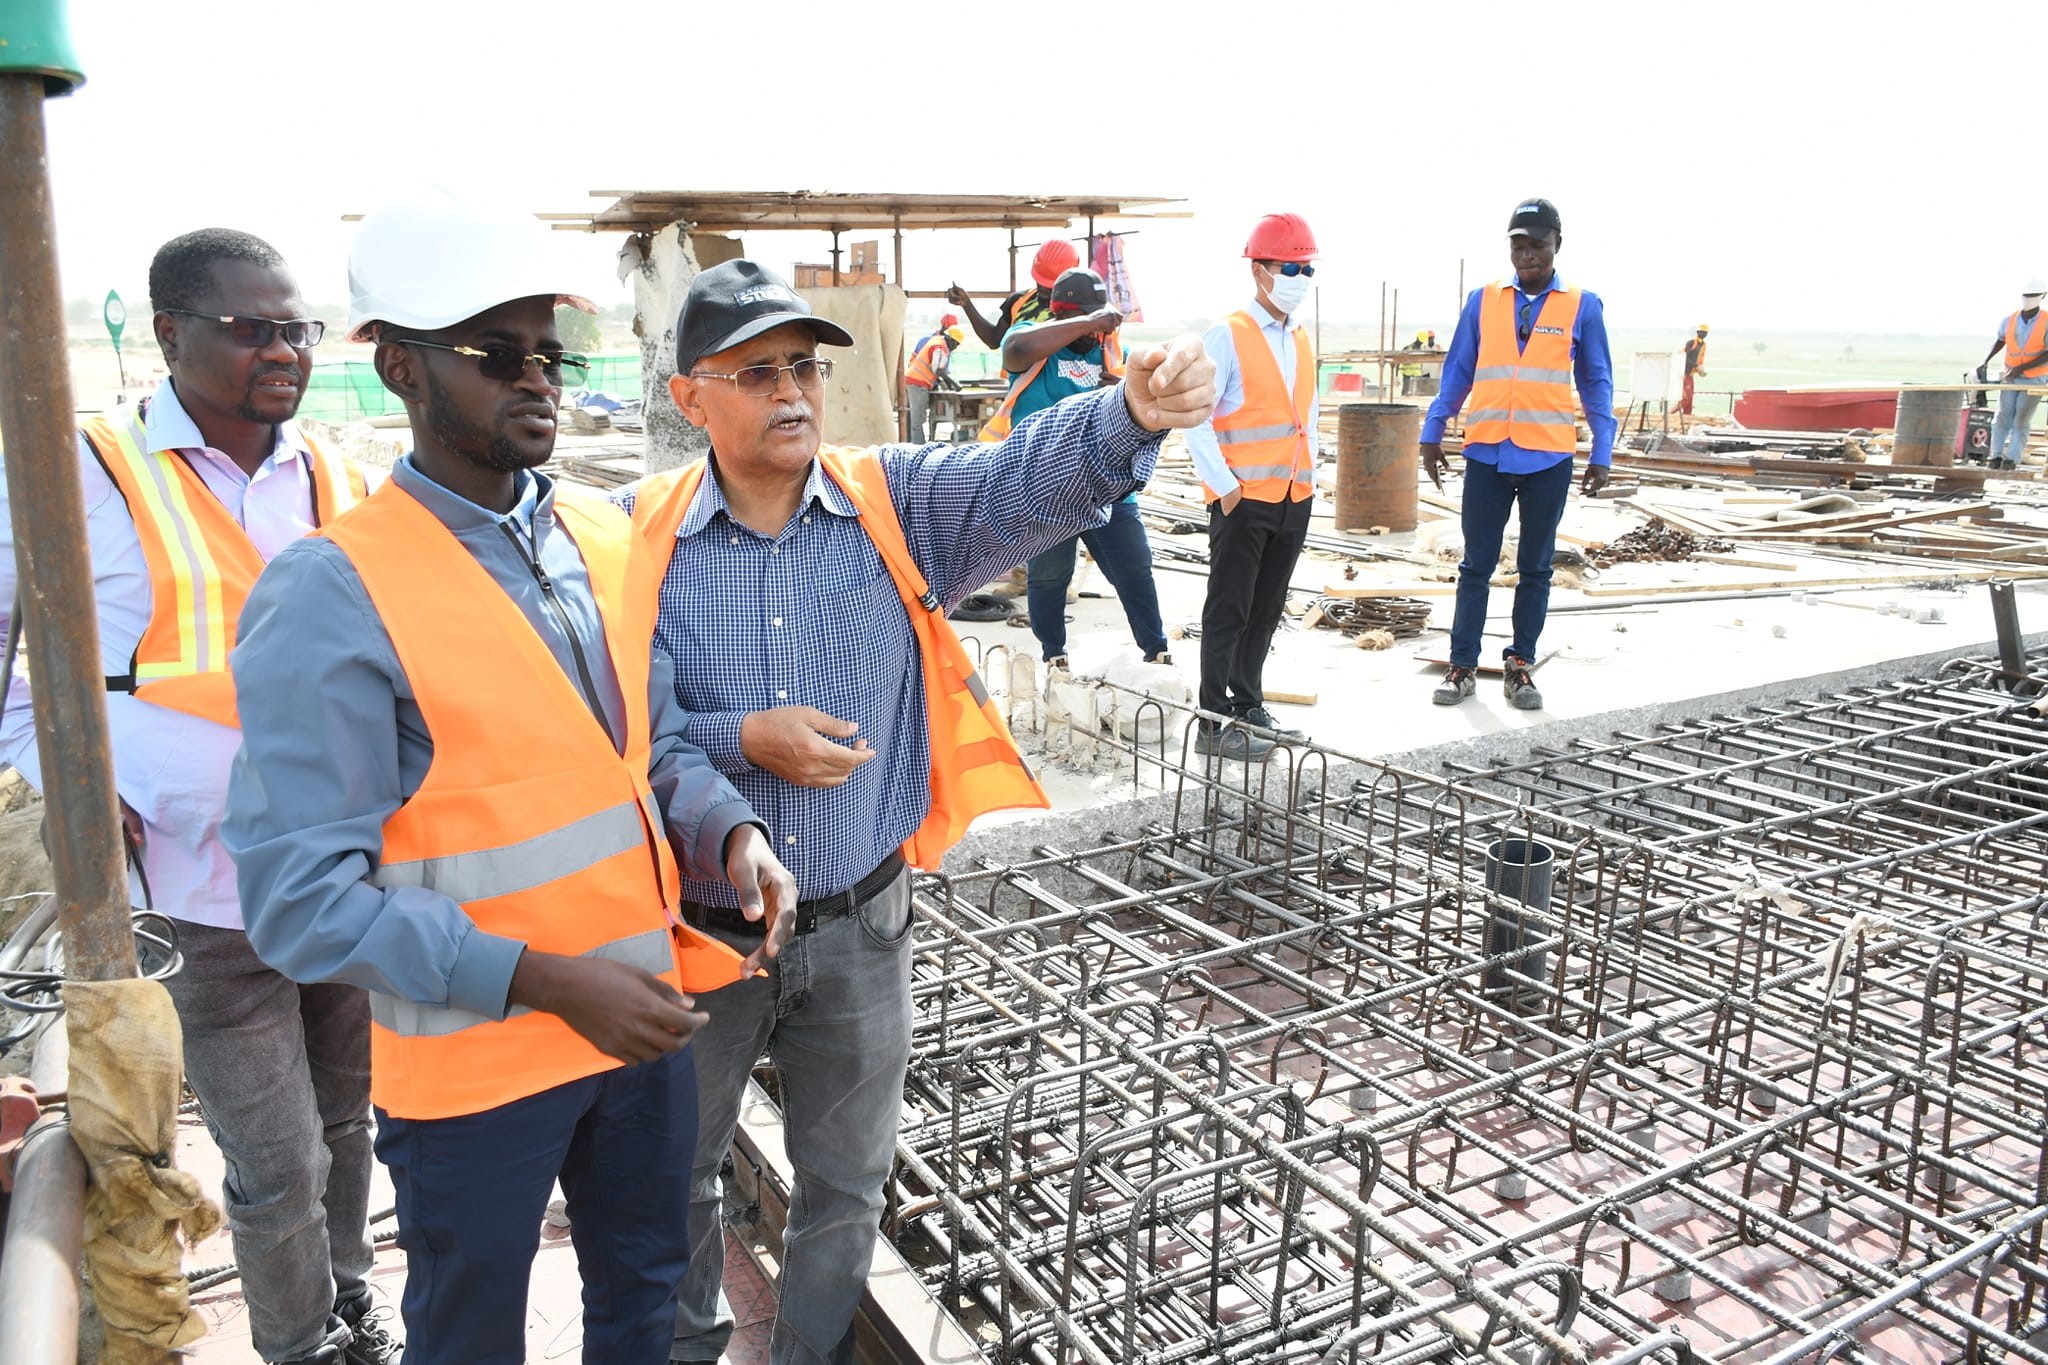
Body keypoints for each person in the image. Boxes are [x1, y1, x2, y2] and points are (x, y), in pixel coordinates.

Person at [223, 194, 797, 1365]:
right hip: (480, 1065)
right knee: (471, 1329)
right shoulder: (334, 591)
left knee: (643, 1292)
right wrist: (540, 980)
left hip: (636, 1021)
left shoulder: (594, 531)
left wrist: (726, 831)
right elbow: (297, 902)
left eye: (550, 352)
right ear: (400, 370)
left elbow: (647, 749)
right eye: (494, 354)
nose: (534, 379)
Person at [617, 258, 1214, 1365]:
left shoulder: (890, 503)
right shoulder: (629, 539)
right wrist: (743, 739)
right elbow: (613, 731)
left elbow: (1019, 477)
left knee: (845, 1184)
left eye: (802, 366)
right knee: (673, 1180)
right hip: (695, 936)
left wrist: (1127, 411)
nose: (793, 391)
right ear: (689, 396)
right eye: (757, 372)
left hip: (860, 925)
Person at [0, 229, 393, 1365]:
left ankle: (348, 1295)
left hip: (335, 865)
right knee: (274, 1160)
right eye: (251, 327)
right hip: (192, 879)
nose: (285, 350)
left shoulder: (333, 472)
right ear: (170, 334)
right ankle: (302, 1342)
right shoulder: (80, 467)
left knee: (343, 1121)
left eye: (297, 328)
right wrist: (73, 774)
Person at [1420, 197, 1615, 713]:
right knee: (1476, 565)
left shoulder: (1582, 304)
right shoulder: (1483, 300)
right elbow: (1458, 370)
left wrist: (1603, 451)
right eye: (1518, 245)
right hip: (1486, 451)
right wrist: (1433, 429)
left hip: (1547, 457)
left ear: (1556, 246)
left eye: (1537, 245)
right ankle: (1462, 665)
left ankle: (1519, 665)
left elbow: (1595, 381)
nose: (1527, 255)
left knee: (1535, 567)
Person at [979, 266, 1171, 670]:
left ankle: (1157, 652)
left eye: (1099, 322)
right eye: (1085, 321)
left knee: (1134, 570)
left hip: (1107, 485)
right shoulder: (1034, 339)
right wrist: (1088, 320)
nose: (1094, 334)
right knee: (1049, 577)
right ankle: (1054, 657)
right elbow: (1013, 350)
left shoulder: (1106, 347)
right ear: (1061, 314)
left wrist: (1117, 394)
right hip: (1049, 490)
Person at [1184, 212, 1324, 760]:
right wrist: (1224, 487)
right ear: (1260, 271)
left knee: (1266, 611)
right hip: (1243, 499)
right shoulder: (1228, 334)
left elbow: (1304, 417)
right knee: (1229, 610)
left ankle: (1249, 705)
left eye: (1308, 270)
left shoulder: (1300, 337)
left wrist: (1311, 480)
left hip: (1294, 495)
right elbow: (1195, 416)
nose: (1300, 279)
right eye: (1291, 267)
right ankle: (1212, 722)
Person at [947, 237, 1079, 349]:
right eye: (1040, 281)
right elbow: (994, 340)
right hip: (1020, 380)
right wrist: (967, 305)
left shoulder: (1080, 310)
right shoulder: (1019, 301)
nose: (1043, 288)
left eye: (1050, 285)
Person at [1980, 281, 2048, 470]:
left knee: (2021, 419)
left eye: (2033, 296)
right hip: (2010, 376)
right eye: (2026, 296)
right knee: (2002, 416)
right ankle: (1995, 456)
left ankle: (2011, 459)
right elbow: (2000, 340)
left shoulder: (2046, 321)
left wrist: (2023, 367)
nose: (2028, 300)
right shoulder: (2009, 320)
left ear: (2042, 297)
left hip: (2034, 378)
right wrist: (1985, 360)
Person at [903, 323, 963, 442]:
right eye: (956, 344)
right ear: (951, 340)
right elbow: (938, 370)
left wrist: (945, 383)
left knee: (915, 419)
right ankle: (918, 449)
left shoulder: (936, 341)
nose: (955, 348)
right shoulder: (940, 347)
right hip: (918, 383)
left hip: (914, 381)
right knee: (917, 421)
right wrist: (953, 384)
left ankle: (914, 444)